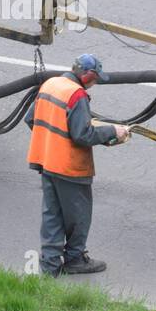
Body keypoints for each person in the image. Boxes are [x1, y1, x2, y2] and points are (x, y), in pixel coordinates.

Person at [25, 53, 130, 276]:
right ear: (87, 74)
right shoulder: (76, 94)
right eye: (95, 78)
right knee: (79, 216)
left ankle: (50, 266)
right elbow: (83, 134)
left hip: (47, 163)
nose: (95, 83)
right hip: (69, 168)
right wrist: (113, 131)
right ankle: (74, 259)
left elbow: (31, 119)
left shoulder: (50, 84)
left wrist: (51, 144)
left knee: (52, 214)